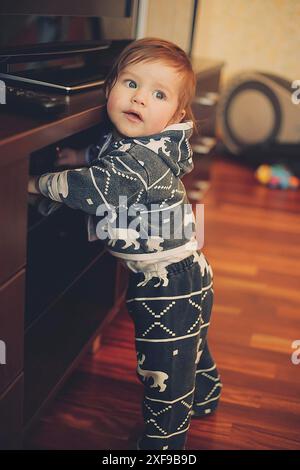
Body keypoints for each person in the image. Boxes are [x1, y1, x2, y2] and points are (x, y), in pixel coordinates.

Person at [28, 37, 222, 450]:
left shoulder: (143, 162)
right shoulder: (139, 143)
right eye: (130, 84)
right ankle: (205, 395)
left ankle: (164, 443)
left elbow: (96, 186)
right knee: (190, 346)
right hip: (187, 276)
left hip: (170, 284)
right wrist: (76, 153)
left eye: (158, 94)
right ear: (109, 86)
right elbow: (105, 152)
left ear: (176, 113)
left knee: (163, 368)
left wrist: (36, 182)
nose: (139, 100)